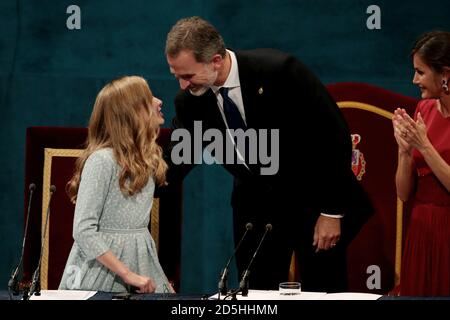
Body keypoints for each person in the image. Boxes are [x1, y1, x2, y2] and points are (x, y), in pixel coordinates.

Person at [164, 16, 373, 292]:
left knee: (323, 291)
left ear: (216, 60)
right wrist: (127, 184)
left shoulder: (280, 71)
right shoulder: (191, 102)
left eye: (188, 76)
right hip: (255, 212)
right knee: (257, 294)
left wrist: (331, 211)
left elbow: (333, 136)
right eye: (176, 75)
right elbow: (176, 161)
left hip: (312, 200)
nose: (182, 85)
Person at [59, 76, 173, 293]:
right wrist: (127, 274)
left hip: (140, 261)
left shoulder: (146, 160)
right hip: (104, 272)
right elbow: (83, 230)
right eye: (148, 98)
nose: (158, 101)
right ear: (129, 112)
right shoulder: (102, 161)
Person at [392, 30, 450, 296]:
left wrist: (424, 146)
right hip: (420, 231)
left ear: (445, 74)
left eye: (421, 72)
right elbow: (403, 193)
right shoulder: (423, 110)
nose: (414, 80)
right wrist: (404, 152)